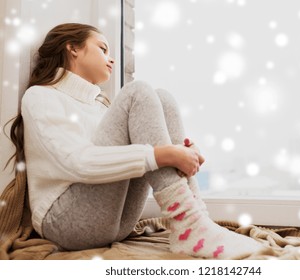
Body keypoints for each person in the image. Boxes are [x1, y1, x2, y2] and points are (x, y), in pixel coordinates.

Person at [7, 23, 262, 259]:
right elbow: (78, 163)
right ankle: (190, 224)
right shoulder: (41, 97)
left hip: (117, 223)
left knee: (162, 98)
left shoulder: (100, 107)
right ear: (72, 48)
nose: (112, 58)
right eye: (103, 48)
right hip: (64, 223)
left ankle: (194, 220)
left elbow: (123, 158)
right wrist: (161, 155)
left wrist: (180, 153)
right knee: (137, 92)